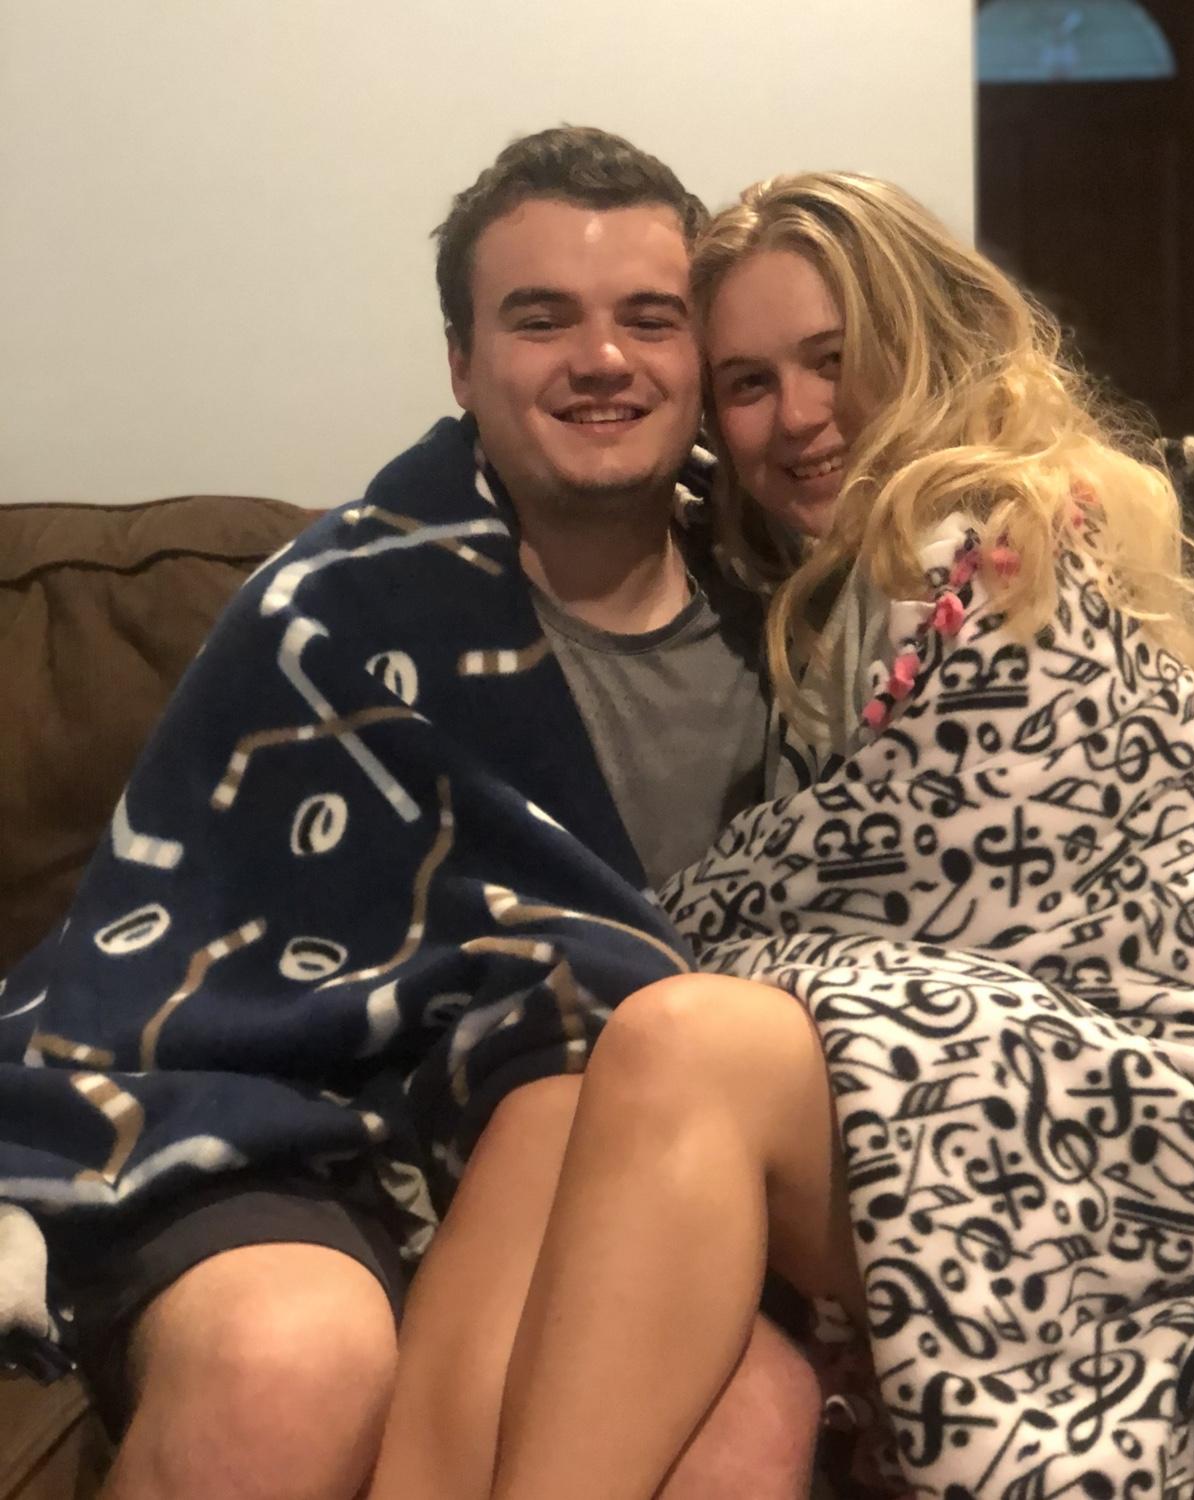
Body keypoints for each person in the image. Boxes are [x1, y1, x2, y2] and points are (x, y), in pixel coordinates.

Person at [445, 172, 1194, 1499]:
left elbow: (956, 862)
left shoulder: (1006, 528)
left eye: (835, 359)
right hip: (992, 1075)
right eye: (750, 383)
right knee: (551, 1100)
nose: (799, 414)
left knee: (673, 1034)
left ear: (922, 341)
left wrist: (672, 926)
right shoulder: (808, 600)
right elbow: (872, 883)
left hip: (1161, 1103)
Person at [0, 128, 822, 1500]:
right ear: (461, 362)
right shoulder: (332, 614)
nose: (602, 358)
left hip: (615, 1159)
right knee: (289, 1368)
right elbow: (178, 951)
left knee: (741, 1427)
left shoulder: (802, 619)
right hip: (292, 1121)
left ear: (700, 356)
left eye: (649, 318)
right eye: (541, 318)